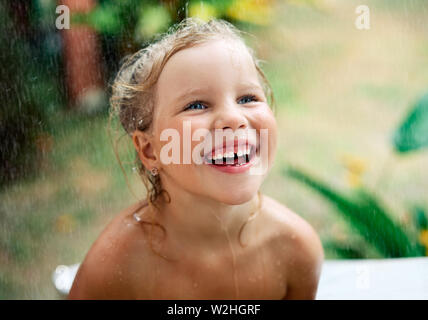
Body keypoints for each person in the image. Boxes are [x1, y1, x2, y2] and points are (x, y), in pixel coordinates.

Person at [68, 18, 324, 300]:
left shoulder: (295, 249)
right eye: (197, 105)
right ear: (150, 151)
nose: (233, 118)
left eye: (248, 98)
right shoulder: (116, 267)